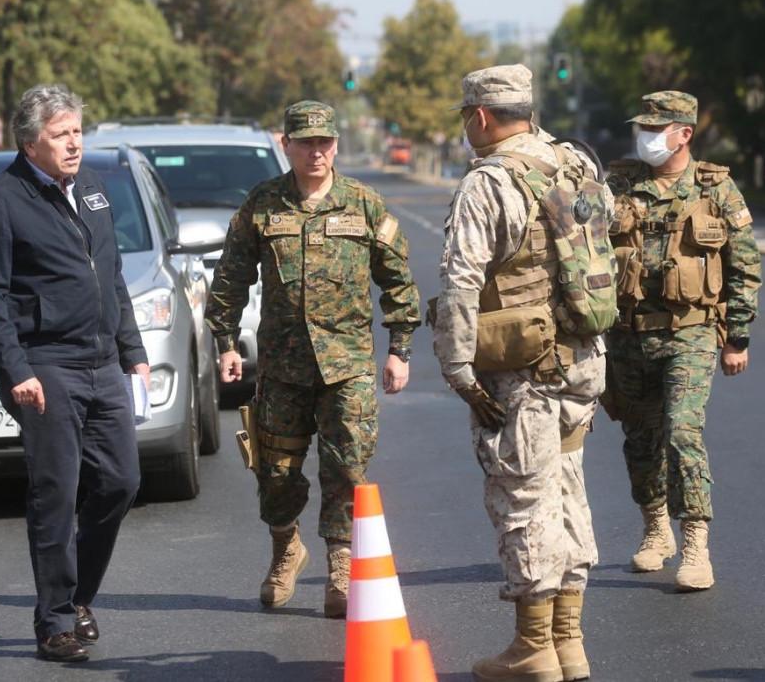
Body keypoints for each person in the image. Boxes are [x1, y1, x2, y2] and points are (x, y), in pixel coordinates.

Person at [204, 100, 420, 619]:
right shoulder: (262, 205)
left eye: (324, 142)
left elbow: (398, 281)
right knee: (275, 471)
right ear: (288, 145)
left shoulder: (363, 205)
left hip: (347, 365)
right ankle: (286, 549)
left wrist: (400, 350)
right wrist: (227, 342)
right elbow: (231, 277)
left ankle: (340, 567)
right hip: (281, 367)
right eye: (305, 142)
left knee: (345, 468)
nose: (316, 151)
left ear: (336, 145)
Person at [432, 64, 608, 682]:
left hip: (521, 373)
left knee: (524, 500)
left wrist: (457, 368)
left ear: (480, 116)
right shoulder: (576, 164)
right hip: (582, 363)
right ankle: (570, 643)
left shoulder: (489, 181)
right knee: (567, 492)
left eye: (466, 117)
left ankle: (534, 647)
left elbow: (460, 282)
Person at [0, 85, 149, 662]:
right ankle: (53, 624)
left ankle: (78, 597)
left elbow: (113, 278)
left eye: (77, 132)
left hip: (101, 362)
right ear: (29, 143)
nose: (74, 144)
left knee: (121, 483)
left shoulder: (92, 189)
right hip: (45, 367)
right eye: (61, 134)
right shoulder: (0, 201)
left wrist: (133, 350)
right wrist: (16, 368)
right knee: (56, 494)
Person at [604, 91, 762, 591]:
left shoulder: (716, 189)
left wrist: (736, 337)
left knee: (682, 433)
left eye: (656, 128)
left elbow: (745, 266)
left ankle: (695, 543)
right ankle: (656, 530)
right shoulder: (620, 185)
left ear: (684, 133)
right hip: (627, 335)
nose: (645, 136)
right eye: (643, 128)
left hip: (690, 334)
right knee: (639, 439)